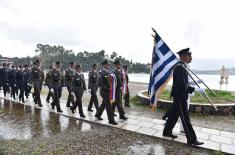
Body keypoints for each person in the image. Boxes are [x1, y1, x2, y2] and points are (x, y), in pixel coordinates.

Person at [162, 48, 204, 146]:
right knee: (185, 117)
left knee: (174, 115)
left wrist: (196, 82)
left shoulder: (183, 66)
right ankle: (192, 139)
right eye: (189, 56)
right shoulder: (179, 67)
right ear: (183, 57)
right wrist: (195, 90)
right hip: (180, 96)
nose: (191, 58)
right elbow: (182, 85)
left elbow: (185, 82)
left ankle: (167, 131)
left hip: (180, 95)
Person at [95, 59, 118, 125]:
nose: (108, 65)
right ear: (104, 65)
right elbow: (100, 83)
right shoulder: (101, 73)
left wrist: (113, 87)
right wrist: (108, 88)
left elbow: (113, 80)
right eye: (107, 64)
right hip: (104, 91)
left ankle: (98, 114)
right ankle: (111, 120)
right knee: (109, 105)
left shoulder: (110, 72)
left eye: (108, 64)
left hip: (110, 91)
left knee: (104, 104)